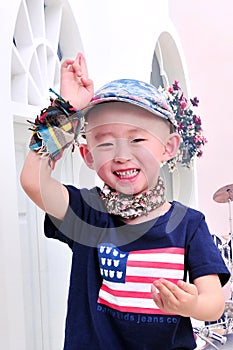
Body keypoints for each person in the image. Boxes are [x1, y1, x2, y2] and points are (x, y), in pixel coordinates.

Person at [20, 52, 230, 350]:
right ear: (88, 156)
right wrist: (63, 112)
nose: (121, 154)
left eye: (138, 139)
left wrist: (191, 305)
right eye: (105, 142)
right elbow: (33, 181)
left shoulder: (188, 223)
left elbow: (214, 304)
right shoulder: (87, 213)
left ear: (168, 147)